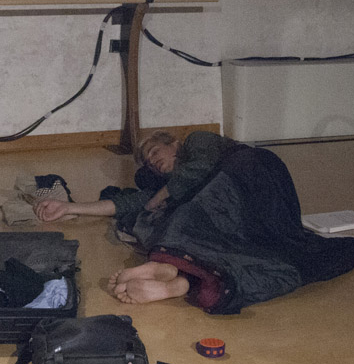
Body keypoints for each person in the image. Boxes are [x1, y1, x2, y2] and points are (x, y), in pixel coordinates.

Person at [33, 130, 240, 304]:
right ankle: (180, 280)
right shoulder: (166, 188)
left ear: (174, 144)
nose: (153, 161)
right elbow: (121, 205)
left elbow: (203, 167)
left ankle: (172, 271)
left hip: (243, 191)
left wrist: (160, 196)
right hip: (221, 220)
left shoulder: (198, 140)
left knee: (182, 215)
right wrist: (68, 208)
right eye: (149, 163)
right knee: (164, 219)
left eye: (155, 151)